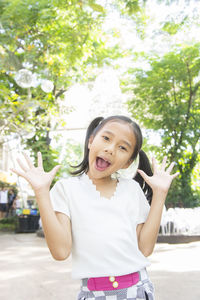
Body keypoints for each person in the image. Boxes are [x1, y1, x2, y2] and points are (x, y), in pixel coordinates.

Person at [11, 115, 179, 300]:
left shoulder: (132, 189)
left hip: (138, 289)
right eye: (106, 138)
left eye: (122, 147)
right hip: (94, 294)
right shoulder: (66, 189)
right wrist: (41, 191)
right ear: (91, 140)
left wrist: (160, 195)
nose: (110, 149)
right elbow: (60, 252)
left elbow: (145, 248)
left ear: (128, 162)